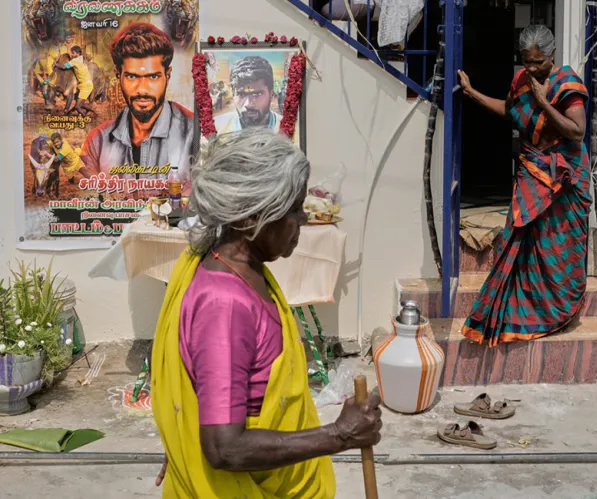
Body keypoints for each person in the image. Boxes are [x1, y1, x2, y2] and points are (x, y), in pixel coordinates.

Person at [151, 128, 381, 497]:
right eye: (294, 209)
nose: (303, 221)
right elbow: (223, 447)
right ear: (249, 218)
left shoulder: (235, 267)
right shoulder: (225, 305)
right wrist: (339, 435)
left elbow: (201, 393)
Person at [457, 25, 591, 345]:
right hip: (532, 174)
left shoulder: (567, 84)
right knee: (522, 242)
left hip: (563, 180)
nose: (532, 69)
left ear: (552, 55)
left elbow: (576, 132)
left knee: (558, 249)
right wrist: (473, 93)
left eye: (539, 62)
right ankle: (522, 310)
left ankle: (559, 312)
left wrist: (544, 102)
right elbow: (510, 111)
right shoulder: (520, 82)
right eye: (527, 62)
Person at [80, 22, 195, 196]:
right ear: (118, 76)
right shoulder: (97, 142)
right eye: (132, 76)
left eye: (153, 77)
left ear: (167, 76)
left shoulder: (194, 134)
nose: (142, 89)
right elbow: (87, 204)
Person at [214, 56, 283, 134]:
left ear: (271, 95)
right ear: (233, 95)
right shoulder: (217, 128)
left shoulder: (290, 130)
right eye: (241, 94)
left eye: (257, 94)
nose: (248, 104)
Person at [52, 46, 95, 117]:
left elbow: (63, 67)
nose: (72, 55)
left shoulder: (75, 61)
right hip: (86, 84)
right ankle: (94, 112)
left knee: (77, 107)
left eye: (73, 53)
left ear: (78, 53)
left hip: (86, 86)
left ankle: (84, 118)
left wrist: (55, 64)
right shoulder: (81, 58)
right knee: (82, 104)